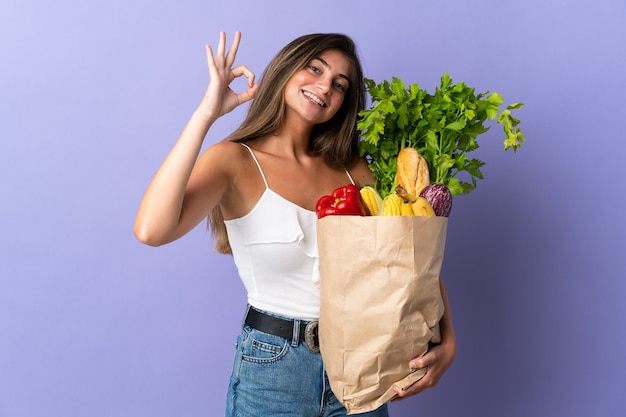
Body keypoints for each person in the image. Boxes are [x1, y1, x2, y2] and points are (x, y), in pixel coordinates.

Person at [134, 31, 456, 417]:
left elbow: (410, 257)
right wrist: (206, 113)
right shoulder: (234, 162)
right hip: (273, 371)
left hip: (360, 364)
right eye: (315, 68)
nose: (324, 87)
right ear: (287, 69)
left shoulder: (355, 169)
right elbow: (151, 230)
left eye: (339, 84)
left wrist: (449, 339)